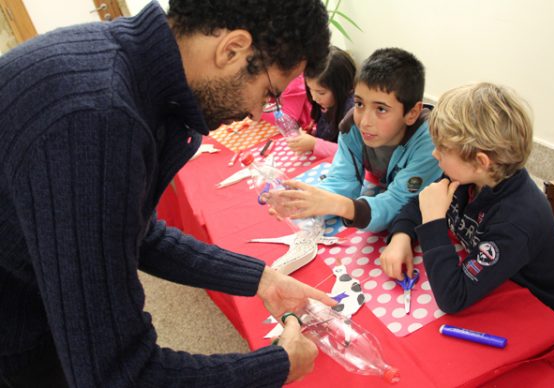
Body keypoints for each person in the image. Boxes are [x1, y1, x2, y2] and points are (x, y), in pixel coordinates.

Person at [0, 0, 333, 387]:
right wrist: (278, 366)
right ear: (232, 50)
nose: (258, 114)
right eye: (267, 94)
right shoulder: (98, 117)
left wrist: (263, 279)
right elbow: (119, 374)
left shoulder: (123, 69)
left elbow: (133, 232)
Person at [381, 82, 554, 329]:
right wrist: (401, 235)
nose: (435, 155)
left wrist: (433, 222)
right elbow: (425, 200)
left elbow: (452, 298)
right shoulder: (469, 177)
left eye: (442, 149)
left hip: (543, 316)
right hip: (498, 283)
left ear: (480, 161)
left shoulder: (516, 221)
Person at [271, 48, 442, 233]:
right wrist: (305, 202)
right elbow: (342, 180)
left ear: (412, 113)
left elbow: (400, 203)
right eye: (359, 104)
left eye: (381, 109)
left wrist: (343, 206)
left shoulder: (430, 141)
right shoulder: (351, 127)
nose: (365, 122)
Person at [286, 46, 356, 158]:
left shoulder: (353, 112)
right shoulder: (327, 104)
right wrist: (311, 135)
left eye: (321, 92)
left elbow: (353, 154)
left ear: (342, 87)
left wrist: (314, 144)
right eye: (310, 89)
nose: (314, 98)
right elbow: (329, 135)